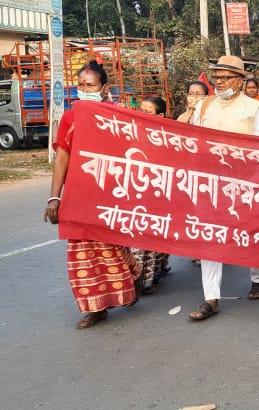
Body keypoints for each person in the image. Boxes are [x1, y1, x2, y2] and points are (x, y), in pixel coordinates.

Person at [44, 60, 142, 329]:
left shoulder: (119, 115)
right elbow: (62, 157)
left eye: (90, 85)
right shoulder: (69, 117)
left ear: (104, 87)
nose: (84, 89)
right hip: (79, 195)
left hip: (111, 194)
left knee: (112, 246)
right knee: (81, 252)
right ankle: (95, 308)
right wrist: (55, 197)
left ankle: (133, 275)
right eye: (81, 85)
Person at [188, 55, 259, 320]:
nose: (220, 82)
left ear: (240, 81)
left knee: (249, 232)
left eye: (226, 77)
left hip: (245, 184)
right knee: (209, 238)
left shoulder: (254, 108)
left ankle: (257, 278)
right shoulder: (204, 106)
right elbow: (191, 141)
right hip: (209, 184)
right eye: (217, 77)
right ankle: (210, 298)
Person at [133, 96, 172, 294]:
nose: (142, 114)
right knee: (139, 237)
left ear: (160, 115)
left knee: (156, 236)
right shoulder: (132, 132)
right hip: (137, 191)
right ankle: (142, 277)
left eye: (147, 112)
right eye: (140, 110)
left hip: (160, 192)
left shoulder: (169, 137)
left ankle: (152, 274)